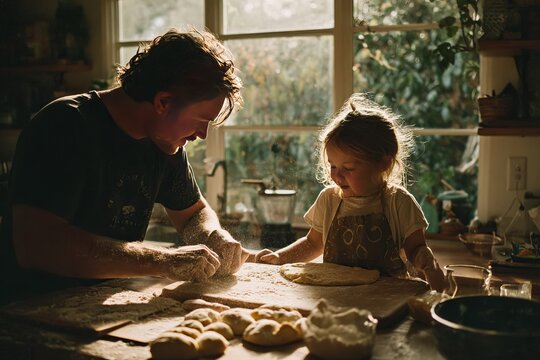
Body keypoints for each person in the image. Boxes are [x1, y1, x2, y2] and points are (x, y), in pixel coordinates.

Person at [0, 28, 251, 305]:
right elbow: (37, 245)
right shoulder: (63, 127)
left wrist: (212, 235)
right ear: (163, 102)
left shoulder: (165, 142)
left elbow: (194, 214)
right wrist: (160, 260)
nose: (202, 135)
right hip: (30, 310)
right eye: (200, 121)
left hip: (102, 304)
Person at [254, 93, 446, 292]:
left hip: (386, 297)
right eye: (333, 166)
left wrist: (425, 259)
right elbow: (312, 244)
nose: (337, 176)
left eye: (349, 168)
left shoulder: (399, 202)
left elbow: (415, 248)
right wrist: (280, 257)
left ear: (383, 163)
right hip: (334, 295)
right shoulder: (329, 199)